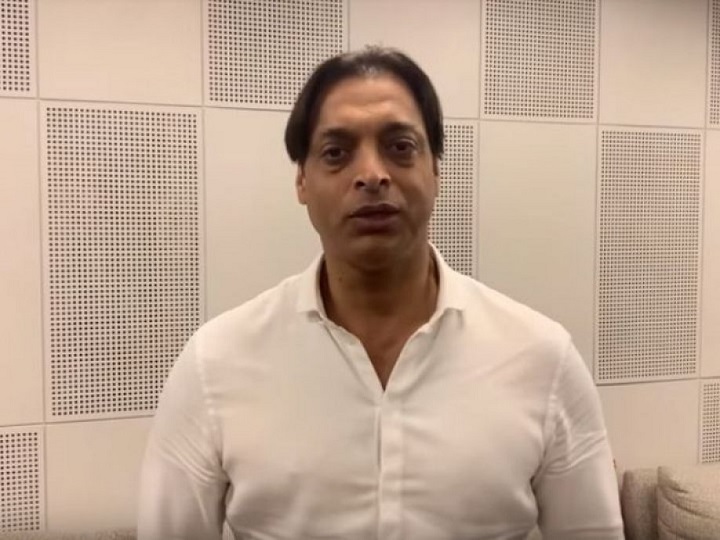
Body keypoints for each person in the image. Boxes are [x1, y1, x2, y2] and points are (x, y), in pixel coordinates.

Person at [138, 46, 623, 539]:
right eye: (336, 153)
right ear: (302, 180)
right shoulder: (215, 364)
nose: (372, 174)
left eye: (400, 146)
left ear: (436, 170)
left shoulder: (542, 360)